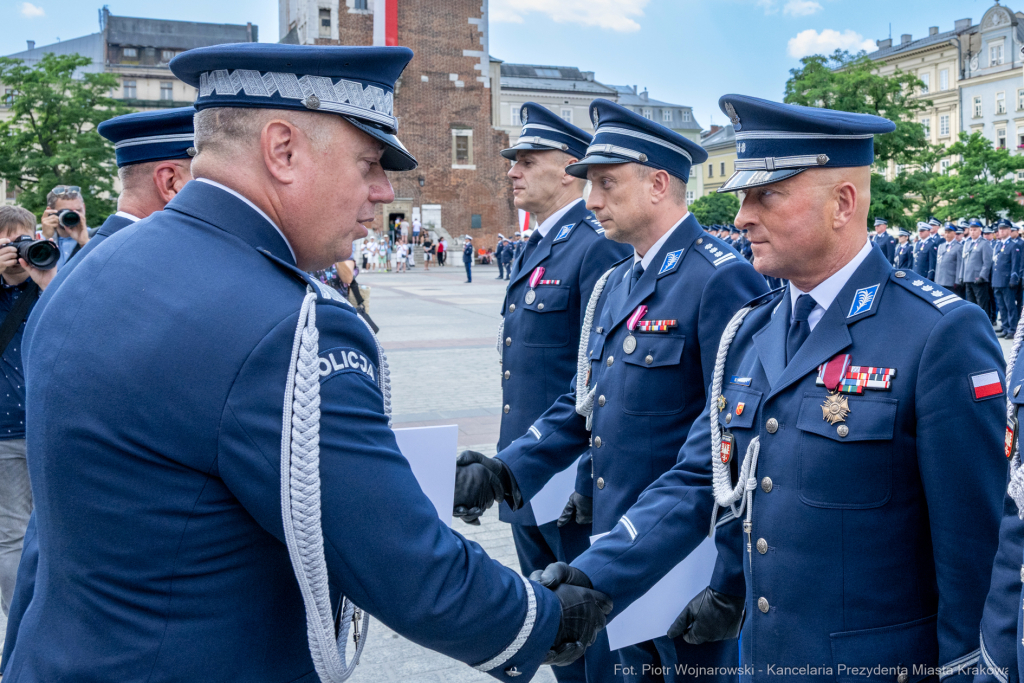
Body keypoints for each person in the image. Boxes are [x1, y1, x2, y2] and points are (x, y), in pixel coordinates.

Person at [2, 43, 613, 683]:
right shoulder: (285, 324)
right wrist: (541, 619)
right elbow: (398, 558)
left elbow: (50, 535)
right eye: (369, 163)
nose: (383, 191)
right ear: (283, 150)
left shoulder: (91, 268)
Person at [533, 94, 1008, 680]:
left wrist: (968, 671)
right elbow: (700, 479)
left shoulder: (936, 333)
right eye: (743, 198)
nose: (741, 218)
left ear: (842, 203)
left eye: (766, 196)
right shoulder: (752, 329)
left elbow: (973, 547)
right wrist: (593, 576)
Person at [456, 98, 769, 683]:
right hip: (617, 539)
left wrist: (730, 576)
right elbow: (587, 402)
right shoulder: (617, 281)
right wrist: (506, 470)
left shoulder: (720, 276)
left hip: (685, 551)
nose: (592, 200)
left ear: (658, 184)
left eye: (606, 183)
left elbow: (731, 438)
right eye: (589, 184)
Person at [492, 102, 631, 683]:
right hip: (527, 473)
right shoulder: (539, 242)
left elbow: (605, 372)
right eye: (514, 160)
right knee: (550, 627)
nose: (513, 171)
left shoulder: (596, 244)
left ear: (571, 168)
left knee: (588, 628)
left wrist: (588, 472)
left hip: (572, 478)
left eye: (528, 159)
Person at [0, 206, 55, 625]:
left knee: (58, 528)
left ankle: (52, 615)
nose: (17, 251)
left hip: (48, 427)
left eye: (23, 240)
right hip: (3, 434)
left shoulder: (50, 285)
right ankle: (20, 623)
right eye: (7, 242)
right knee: (12, 534)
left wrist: (48, 278)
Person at [40, 186, 90, 267]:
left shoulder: (98, 237)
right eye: (65, 212)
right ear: (50, 211)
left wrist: (85, 243)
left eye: (78, 211)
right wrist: (46, 239)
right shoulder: (36, 237)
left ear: (84, 208)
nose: (73, 215)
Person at [991, 218, 1020, 339]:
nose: (1001, 231)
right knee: (1002, 307)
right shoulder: (998, 244)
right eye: (1000, 229)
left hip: (1007, 281)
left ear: (1009, 230)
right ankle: (1005, 327)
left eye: (1004, 229)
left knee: (1010, 306)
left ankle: (1012, 329)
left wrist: (1014, 278)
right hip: (997, 280)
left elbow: (1015, 264)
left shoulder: (1013, 245)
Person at [963, 220, 994, 316]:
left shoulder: (984, 243)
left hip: (978, 279)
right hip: (968, 278)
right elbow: (964, 261)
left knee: (982, 305)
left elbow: (987, 262)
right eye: (971, 230)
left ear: (980, 231)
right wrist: (962, 276)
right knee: (971, 304)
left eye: (975, 230)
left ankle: (984, 323)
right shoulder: (967, 243)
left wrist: (982, 276)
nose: (972, 232)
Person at [934, 222, 961, 295]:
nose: (947, 235)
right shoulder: (941, 246)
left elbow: (959, 265)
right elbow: (938, 264)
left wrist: (957, 281)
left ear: (954, 233)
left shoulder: (958, 247)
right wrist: (936, 279)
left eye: (949, 232)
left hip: (950, 281)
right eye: (945, 232)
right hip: (939, 280)